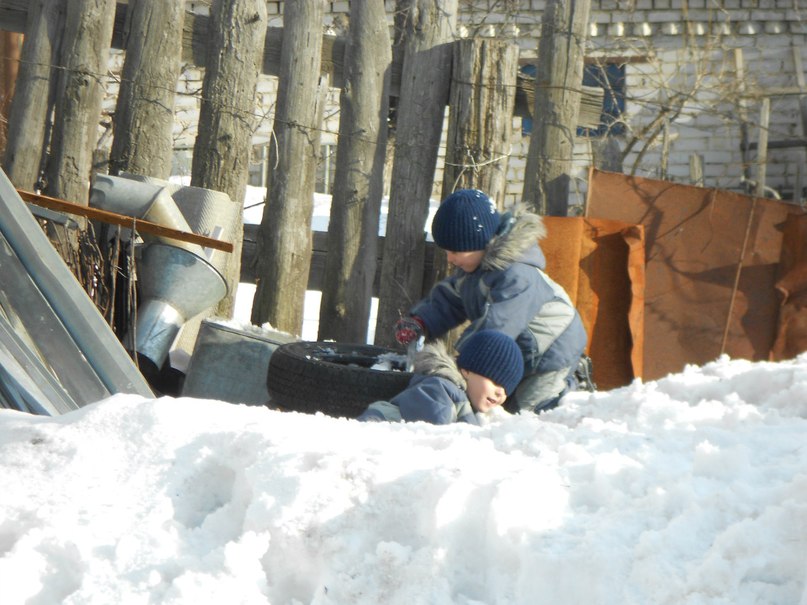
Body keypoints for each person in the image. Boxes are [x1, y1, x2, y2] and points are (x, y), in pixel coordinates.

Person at [394, 188, 588, 414]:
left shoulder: (518, 276)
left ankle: (571, 389)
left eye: (455, 251)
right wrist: (421, 320)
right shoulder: (475, 271)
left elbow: (496, 327)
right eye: (446, 251)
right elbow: (451, 298)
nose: (449, 258)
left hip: (552, 353)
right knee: (500, 403)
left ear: (481, 243)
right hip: (518, 350)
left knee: (529, 411)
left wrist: (460, 367)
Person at [358, 329, 524, 425]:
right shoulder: (442, 390)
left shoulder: (465, 400)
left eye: (506, 389)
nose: (500, 393)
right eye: (495, 382)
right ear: (466, 371)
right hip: (375, 431)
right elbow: (437, 436)